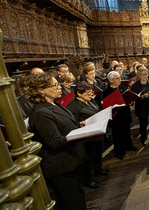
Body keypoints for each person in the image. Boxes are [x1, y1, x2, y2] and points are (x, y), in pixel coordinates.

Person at [26, 73, 89, 210]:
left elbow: (62, 126)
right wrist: (80, 133)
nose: (59, 87)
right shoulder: (40, 113)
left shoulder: (53, 104)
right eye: (55, 85)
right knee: (71, 201)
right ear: (40, 90)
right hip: (60, 166)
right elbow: (55, 142)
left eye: (58, 84)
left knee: (78, 194)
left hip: (71, 159)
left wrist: (78, 125)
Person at [66, 82, 110, 189]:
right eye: (88, 92)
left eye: (91, 92)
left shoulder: (90, 101)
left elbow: (97, 111)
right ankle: (88, 179)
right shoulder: (72, 107)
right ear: (79, 93)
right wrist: (80, 123)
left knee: (98, 153)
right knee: (89, 159)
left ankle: (98, 169)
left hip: (97, 133)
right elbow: (71, 123)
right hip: (86, 137)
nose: (91, 94)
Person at [103, 71, 137, 160]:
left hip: (125, 113)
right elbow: (105, 105)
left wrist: (131, 101)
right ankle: (119, 152)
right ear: (111, 80)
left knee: (127, 131)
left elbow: (127, 98)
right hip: (116, 116)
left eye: (119, 77)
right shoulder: (106, 91)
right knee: (117, 135)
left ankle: (129, 146)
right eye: (117, 78)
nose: (119, 80)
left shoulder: (122, 88)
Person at [131, 67, 149, 145]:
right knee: (143, 123)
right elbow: (134, 98)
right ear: (139, 75)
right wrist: (142, 97)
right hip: (142, 106)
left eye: (146, 74)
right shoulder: (135, 85)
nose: (145, 76)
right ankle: (144, 137)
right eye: (143, 74)